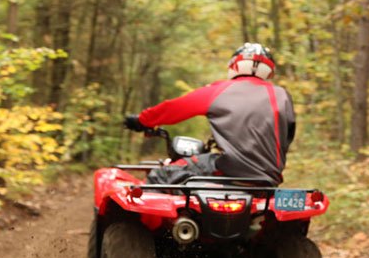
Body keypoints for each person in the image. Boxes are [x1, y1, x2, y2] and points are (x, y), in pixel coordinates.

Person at [124, 42, 296, 186]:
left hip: (228, 169)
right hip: (269, 178)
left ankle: (140, 227)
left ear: (234, 65)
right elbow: (287, 137)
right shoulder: (282, 96)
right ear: (269, 71)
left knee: (160, 177)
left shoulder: (220, 90)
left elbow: (173, 108)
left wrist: (142, 120)